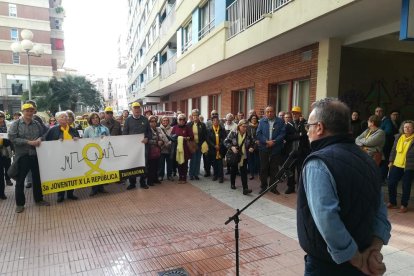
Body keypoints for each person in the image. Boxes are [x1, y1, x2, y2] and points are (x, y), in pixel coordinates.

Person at [297, 98, 391, 275]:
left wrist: (356, 259)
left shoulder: (318, 163)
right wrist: (374, 250)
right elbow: (380, 209)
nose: (307, 131)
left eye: (308, 125)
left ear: (319, 127)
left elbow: (327, 218)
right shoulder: (367, 159)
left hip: (328, 264)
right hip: (363, 255)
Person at [8, 103, 50, 213]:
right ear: (23, 111)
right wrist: (29, 142)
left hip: (36, 155)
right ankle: (20, 204)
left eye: (31, 111)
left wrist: (40, 139)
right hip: (23, 156)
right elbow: (12, 138)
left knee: (37, 179)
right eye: (27, 111)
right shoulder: (16, 124)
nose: (29, 113)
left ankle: (39, 199)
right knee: (20, 181)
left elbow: (44, 134)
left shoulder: (36, 123)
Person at [44, 112, 80, 202]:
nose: (65, 118)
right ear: (57, 119)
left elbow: (79, 141)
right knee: (61, 175)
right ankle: (60, 195)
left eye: (66, 117)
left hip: (71, 156)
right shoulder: (52, 130)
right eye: (62, 117)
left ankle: (70, 193)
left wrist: (77, 139)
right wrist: (56, 141)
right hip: (58, 157)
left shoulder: (73, 129)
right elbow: (46, 141)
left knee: (71, 174)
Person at [256, 105, 286, 194]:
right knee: (263, 168)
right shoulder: (261, 121)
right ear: (265, 113)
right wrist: (266, 142)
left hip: (276, 148)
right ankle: (263, 186)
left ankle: (273, 187)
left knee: (274, 168)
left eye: (271, 111)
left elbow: (282, 133)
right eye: (268, 112)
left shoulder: (280, 121)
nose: (269, 113)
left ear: (274, 112)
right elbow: (258, 134)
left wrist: (274, 142)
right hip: (264, 148)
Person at [387, 120, 414, 213]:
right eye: (405, 127)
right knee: (391, 183)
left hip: (409, 166)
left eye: (409, 127)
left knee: (406, 185)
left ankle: (404, 205)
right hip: (396, 164)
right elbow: (393, 150)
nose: (407, 128)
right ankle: (392, 202)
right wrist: (391, 161)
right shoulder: (398, 137)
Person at [123, 102, 149, 190]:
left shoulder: (145, 119)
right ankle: (132, 183)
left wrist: (147, 138)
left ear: (141, 110)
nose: (137, 110)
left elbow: (149, 132)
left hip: (143, 147)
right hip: (132, 148)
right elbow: (125, 133)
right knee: (132, 164)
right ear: (132, 110)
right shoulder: (128, 120)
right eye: (135, 108)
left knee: (144, 164)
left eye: (138, 108)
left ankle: (143, 182)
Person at [83, 112, 110, 196]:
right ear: (90, 120)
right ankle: (94, 188)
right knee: (94, 171)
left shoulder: (105, 128)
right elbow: (84, 141)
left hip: (102, 152)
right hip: (92, 153)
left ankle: (101, 187)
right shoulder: (87, 129)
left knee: (102, 169)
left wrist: (105, 139)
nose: (95, 119)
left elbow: (109, 139)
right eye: (93, 118)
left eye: (97, 117)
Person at [224, 119, 254, 195]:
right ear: (239, 126)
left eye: (246, 127)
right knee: (233, 170)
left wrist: (252, 147)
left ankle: (245, 189)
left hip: (244, 156)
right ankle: (232, 184)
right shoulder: (233, 133)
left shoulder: (248, 134)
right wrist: (232, 147)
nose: (245, 128)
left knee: (244, 172)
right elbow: (226, 141)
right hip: (235, 155)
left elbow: (253, 143)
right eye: (243, 126)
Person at [289, 106, 310, 194]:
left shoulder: (304, 123)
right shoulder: (289, 124)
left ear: (300, 114)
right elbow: (288, 137)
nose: (294, 115)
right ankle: (290, 187)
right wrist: (299, 135)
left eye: (296, 113)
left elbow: (305, 134)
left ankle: (300, 188)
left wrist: (301, 123)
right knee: (290, 169)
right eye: (293, 113)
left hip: (302, 151)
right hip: (291, 150)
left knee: (300, 170)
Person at [170, 114, 194, 184]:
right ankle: (180, 177)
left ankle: (184, 177)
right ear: (177, 120)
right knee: (179, 163)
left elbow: (192, 137)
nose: (181, 121)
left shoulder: (187, 127)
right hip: (177, 148)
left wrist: (186, 138)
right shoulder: (175, 127)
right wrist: (176, 137)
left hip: (185, 148)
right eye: (180, 119)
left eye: (183, 119)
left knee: (185, 163)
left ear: (185, 120)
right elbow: (171, 136)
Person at [147, 115, 168, 186]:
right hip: (150, 150)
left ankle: (155, 179)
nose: (153, 123)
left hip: (158, 150)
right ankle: (150, 181)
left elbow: (164, 137)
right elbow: (147, 140)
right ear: (149, 122)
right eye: (151, 121)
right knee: (151, 167)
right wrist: (156, 142)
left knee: (157, 166)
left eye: (155, 121)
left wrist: (162, 141)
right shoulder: (147, 130)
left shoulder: (159, 129)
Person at [187, 109, 207, 180]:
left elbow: (205, 135)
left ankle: (196, 174)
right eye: (193, 115)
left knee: (198, 159)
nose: (195, 117)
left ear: (198, 116)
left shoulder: (202, 125)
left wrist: (204, 144)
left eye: (196, 115)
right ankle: (191, 174)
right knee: (193, 159)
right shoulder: (189, 124)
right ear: (192, 116)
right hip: (192, 145)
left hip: (200, 144)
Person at [206, 115, 227, 183]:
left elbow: (224, 138)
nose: (216, 122)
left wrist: (219, 145)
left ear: (219, 121)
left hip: (220, 149)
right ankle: (215, 175)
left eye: (217, 120)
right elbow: (208, 140)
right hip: (213, 149)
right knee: (214, 163)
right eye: (214, 120)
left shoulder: (222, 129)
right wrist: (214, 145)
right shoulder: (209, 130)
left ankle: (221, 177)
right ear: (212, 122)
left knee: (220, 163)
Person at [158, 116, 173, 181]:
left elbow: (173, 138)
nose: (165, 121)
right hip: (161, 149)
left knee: (169, 163)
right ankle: (161, 175)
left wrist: (168, 144)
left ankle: (169, 175)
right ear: (161, 121)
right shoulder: (158, 129)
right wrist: (163, 143)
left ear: (168, 121)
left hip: (169, 149)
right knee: (161, 164)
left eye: (166, 120)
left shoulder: (172, 128)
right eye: (163, 120)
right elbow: (158, 137)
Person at [0, 111, 12, 188]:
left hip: (7, 146)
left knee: (8, 164)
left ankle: (8, 179)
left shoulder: (9, 124)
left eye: (1, 117)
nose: (0, 119)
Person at [247, 114, 260, 180]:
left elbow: (259, 137)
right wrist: (250, 147)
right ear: (250, 119)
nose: (254, 120)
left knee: (258, 161)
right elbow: (247, 138)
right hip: (250, 146)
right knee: (250, 161)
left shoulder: (259, 126)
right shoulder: (248, 127)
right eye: (252, 118)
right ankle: (251, 174)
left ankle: (258, 174)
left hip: (257, 146)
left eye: (255, 118)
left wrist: (254, 147)